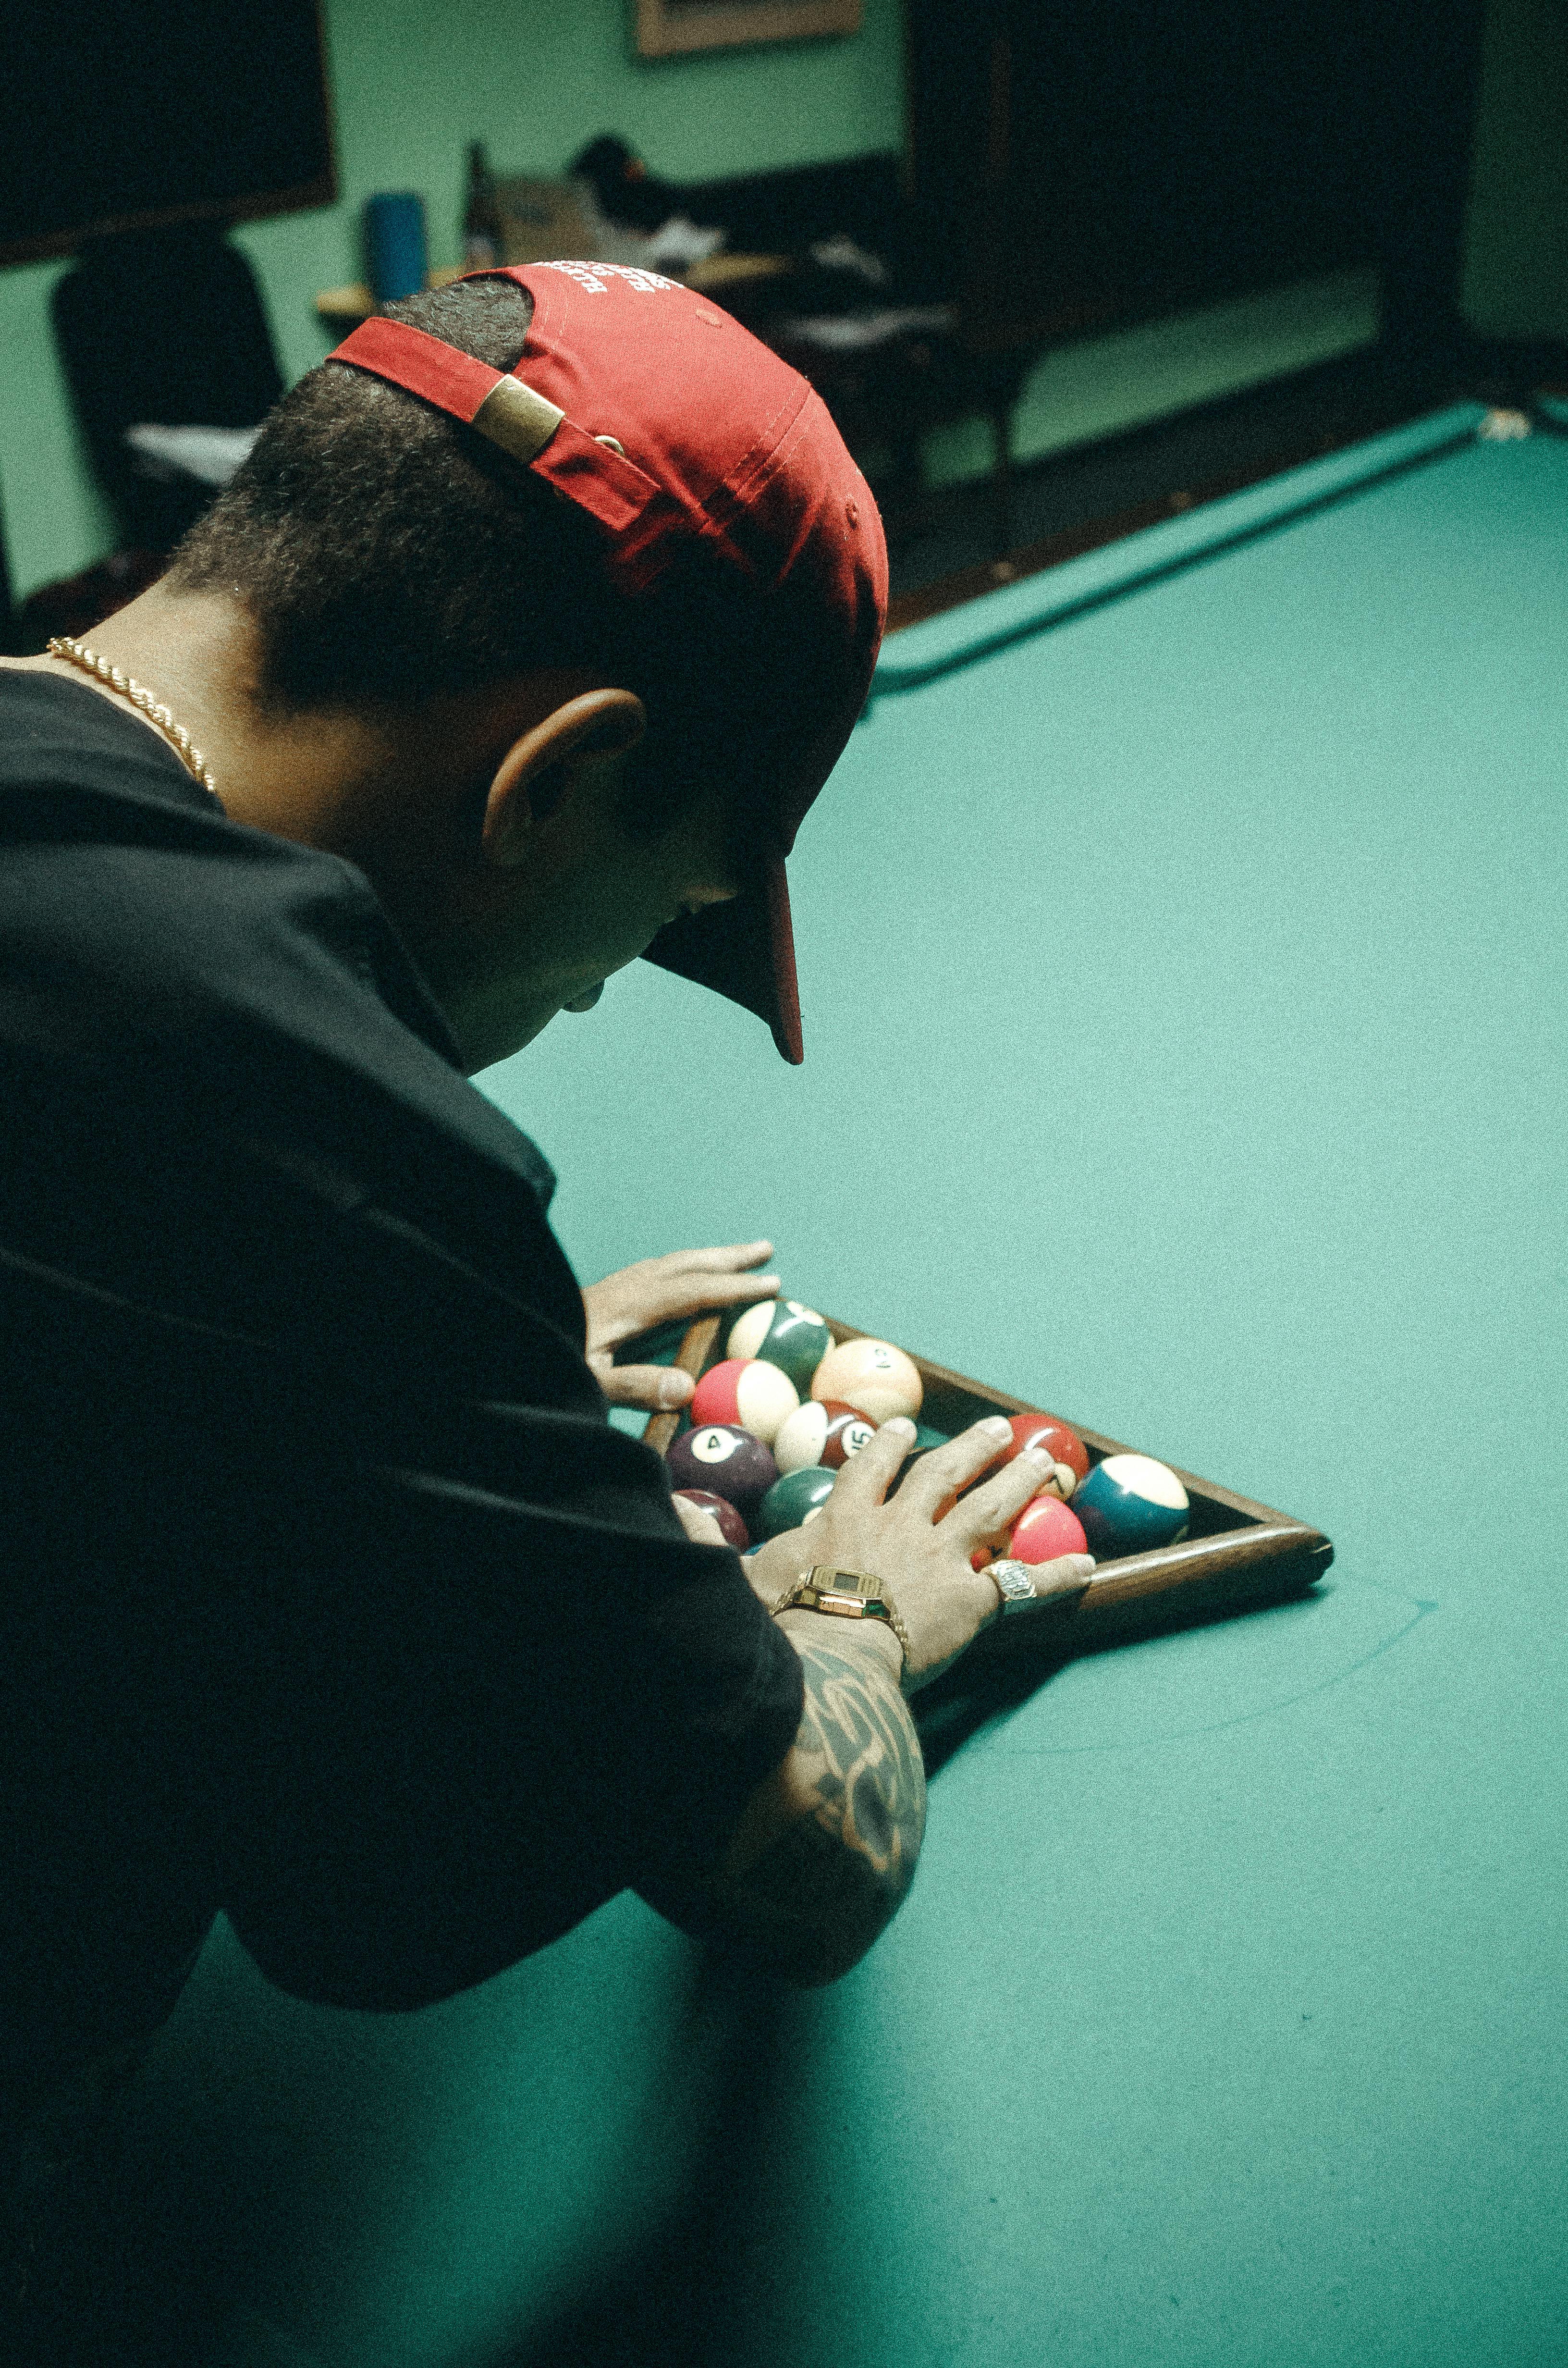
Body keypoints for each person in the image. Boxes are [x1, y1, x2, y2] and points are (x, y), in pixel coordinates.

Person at [0, 263, 1091, 2331]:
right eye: (658, 916)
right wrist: (859, 1618)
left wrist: (397, 1376)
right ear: (555, 779)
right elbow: (778, 1854)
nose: (595, 986)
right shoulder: (297, 1111)